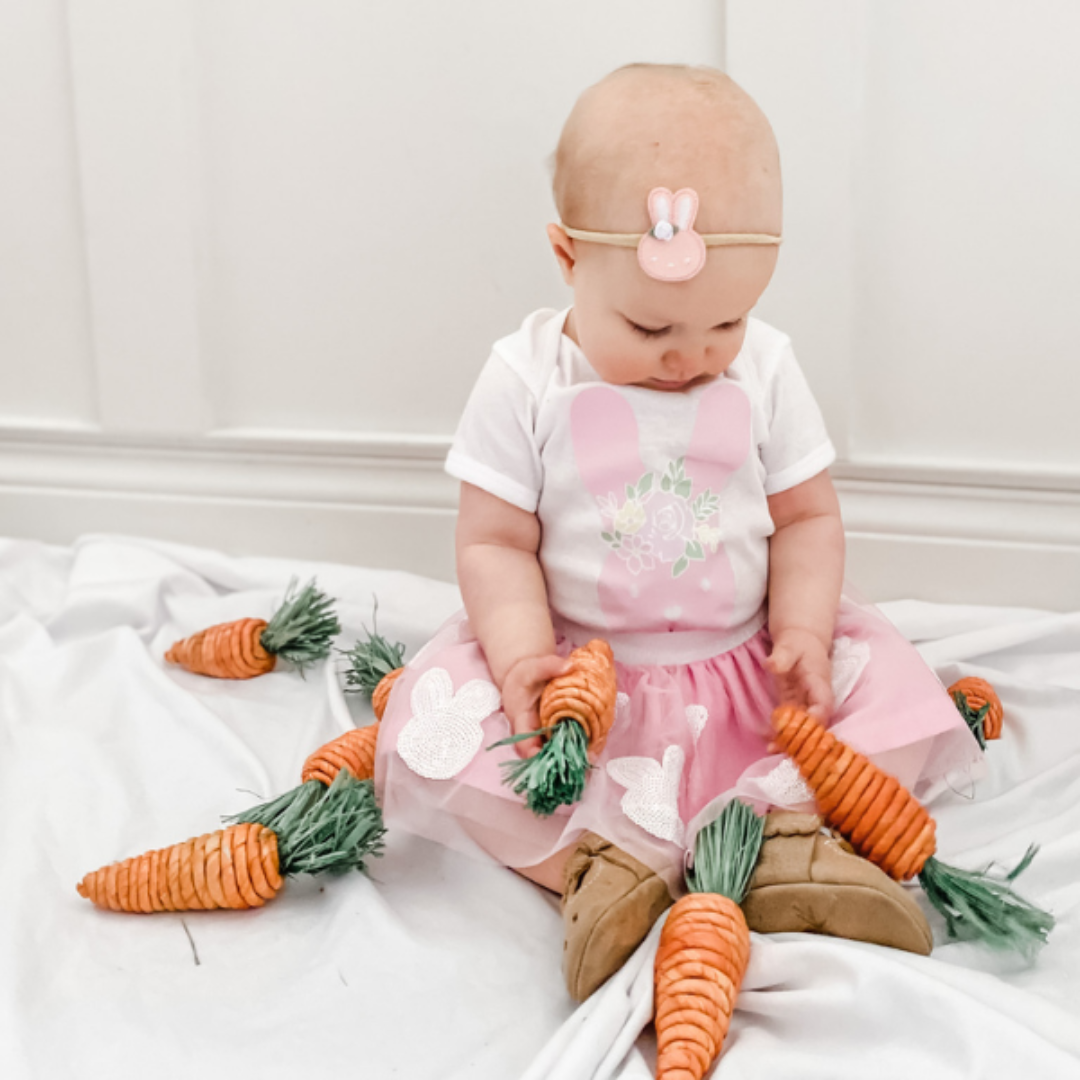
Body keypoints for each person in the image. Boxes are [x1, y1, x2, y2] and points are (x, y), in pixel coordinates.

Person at [373, 63, 982, 1001]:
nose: (691, 355)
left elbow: (807, 518)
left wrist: (805, 635)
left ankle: (783, 850)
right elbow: (494, 541)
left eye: (726, 320)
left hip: (745, 674)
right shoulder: (526, 378)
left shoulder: (767, 367)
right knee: (441, 732)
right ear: (568, 257)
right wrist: (523, 656)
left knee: (880, 714)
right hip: (585, 685)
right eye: (652, 324)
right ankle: (597, 873)